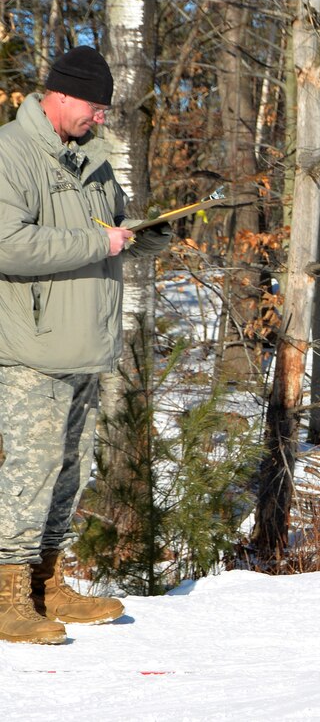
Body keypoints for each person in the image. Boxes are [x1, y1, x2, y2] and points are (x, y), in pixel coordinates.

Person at [0, 46, 172, 645]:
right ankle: (6, 594)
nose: (101, 119)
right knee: (31, 469)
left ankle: (46, 582)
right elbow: (9, 245)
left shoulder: (93, 161)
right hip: (31, 347)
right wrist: (101, 243)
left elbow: (110, 235)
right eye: (96, 108)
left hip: (87, 345)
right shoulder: (10, 154)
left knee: (68, 470)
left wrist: (146, 237)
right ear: (62, 93)